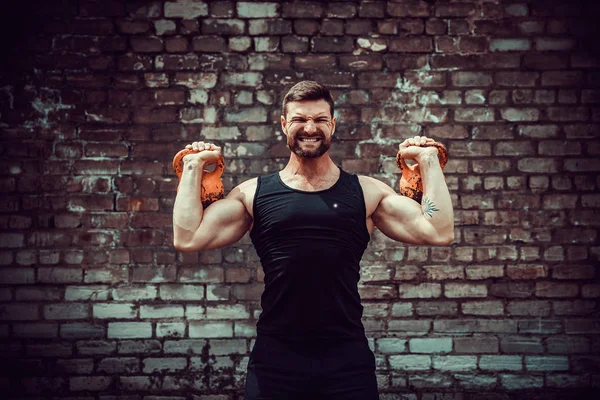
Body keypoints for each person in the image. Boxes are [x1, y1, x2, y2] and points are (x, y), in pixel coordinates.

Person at [173, 81, 454, 400]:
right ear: (283, 125)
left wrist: (428, 160)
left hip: (346, 361)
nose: (310, 128)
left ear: (333, 124)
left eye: (320, 119)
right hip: (275, 362)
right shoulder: (253, 194)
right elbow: (188, 237)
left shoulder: (366, 192)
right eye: (299, 120)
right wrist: (193, 166)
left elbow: (438, 231)